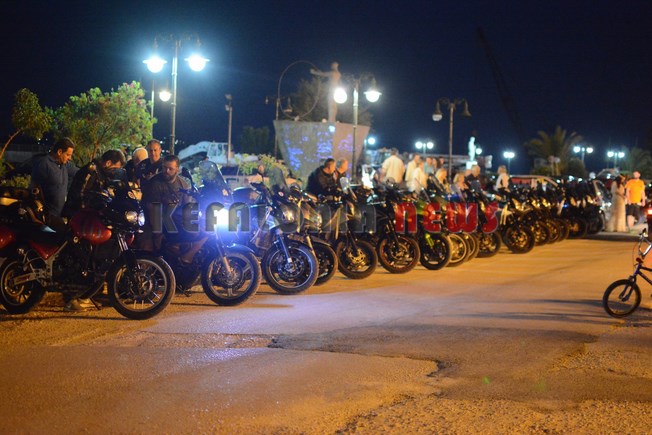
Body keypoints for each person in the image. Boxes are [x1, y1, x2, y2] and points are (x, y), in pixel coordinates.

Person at [142, 155, 206, 264]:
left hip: (175, 222)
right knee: (149, 249)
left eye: (170, 169)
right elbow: (152, 210)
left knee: (206, 230)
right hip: (158, 222)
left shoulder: (183, 184)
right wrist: (157, 234)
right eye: (164, 167)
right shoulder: (155, 183)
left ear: (177, 169)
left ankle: (188, 258)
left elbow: (188, 205)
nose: (166, 171)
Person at [30, 137, 78, 232]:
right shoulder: (44, 164)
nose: (70, 158)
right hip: (48, 217)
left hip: (59, 214)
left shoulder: (64, 165)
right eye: (68, 155)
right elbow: (34, 188)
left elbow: (79, 172)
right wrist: (43, 214)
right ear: (59, 152)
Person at [62, 149, 127, 218]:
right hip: (78, 215)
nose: (114, 172)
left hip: (87, 215)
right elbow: (80, 194)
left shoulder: (101, 173)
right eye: (114, 169)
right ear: (108, 163)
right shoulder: (91, 171)